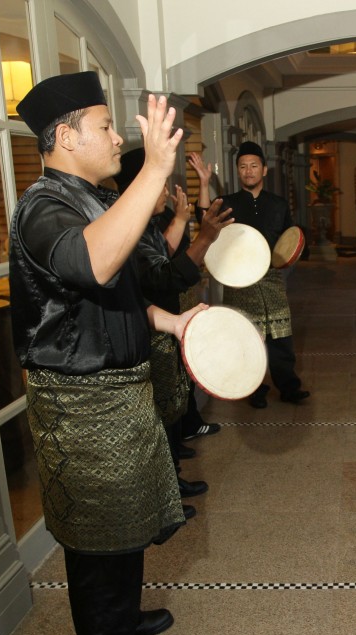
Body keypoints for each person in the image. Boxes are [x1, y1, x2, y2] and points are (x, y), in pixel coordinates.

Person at [11, 72, 205, 635]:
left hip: (118, 398)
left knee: (122, 531)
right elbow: (92, 265)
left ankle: (119, 618)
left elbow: (112, 295)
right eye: (102, 125)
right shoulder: (44, 207)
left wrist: (169, 321)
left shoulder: (91, 199)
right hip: (81, 408)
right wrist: (154, 169)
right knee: (97, 548)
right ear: (64, 138)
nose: (114, 135)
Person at [113, 148, 233, 509]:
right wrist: (204, 237)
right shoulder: (126, 230)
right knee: (158, 413)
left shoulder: (144, 224)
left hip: (160, 323)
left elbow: (161, 257)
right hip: (146, 332)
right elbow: (162, 276)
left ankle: (172, 475)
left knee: (169, 402)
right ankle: (168, 493)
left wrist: (184, 221)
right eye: (160, 185)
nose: (166, 192)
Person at [188, 143, 309, 408]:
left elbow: (290, 239)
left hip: (273, 279)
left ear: (264, 169)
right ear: (238, 171)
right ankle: (254, 390)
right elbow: (203, 217)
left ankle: (289, 387)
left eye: (254, 165)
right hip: (239, 281)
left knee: (281, 336)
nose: (248, 171)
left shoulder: (278, 204)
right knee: (247, 337)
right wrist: (204, 181)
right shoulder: (228, 203)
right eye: (243, 166)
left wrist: (288, 258)